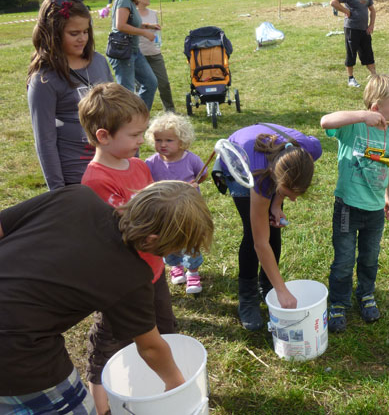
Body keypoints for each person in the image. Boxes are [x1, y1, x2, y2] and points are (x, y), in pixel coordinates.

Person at [0, 181, 213, 415]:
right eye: (175, 246)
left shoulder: (76, 197)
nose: (174, 253)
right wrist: (176, 383)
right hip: (17, 352)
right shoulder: (130, 276)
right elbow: (151, 347)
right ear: (152, 239)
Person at [77, 83, 175, 414]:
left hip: (153, 270)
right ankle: (101, 405)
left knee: (166, 330)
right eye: (135, 135)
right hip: (120, 283)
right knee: (108, 344)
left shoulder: (138, 166)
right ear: (104, 136)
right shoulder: (95, 181)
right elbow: (115, 237)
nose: (141, 142)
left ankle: (169, 386)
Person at [320, 75, 389, 333]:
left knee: (370, 258)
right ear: (376, 108)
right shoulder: (353, 128)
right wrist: (361, 116)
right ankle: (338, 302)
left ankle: (366, 293)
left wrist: (388, 197)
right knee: (344, 259)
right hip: (347, 207)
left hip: (374, 212)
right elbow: (325, 121)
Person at [221, 123, 322, 330]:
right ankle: (247, 297)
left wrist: (277, 204)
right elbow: (260, 243)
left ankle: (268, 285)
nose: (293, 199)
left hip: (272, 162)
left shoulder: (310, 151)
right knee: (253, 234)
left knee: (272, 227)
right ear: (275, 178)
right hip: (238, 161)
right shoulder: (259, 178)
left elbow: (284, 185)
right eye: (288, 193)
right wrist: (283, 290)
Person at [27, 0, 113, 191]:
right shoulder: (44, 79)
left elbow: (117, 114)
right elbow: (45, 140)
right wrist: (58, 191)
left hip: (109, 168)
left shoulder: (99, 62)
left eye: (85, 32)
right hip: (76, 177)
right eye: (74, 33)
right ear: (53, 33)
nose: (82, 38)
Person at [145, 113, 208, 294]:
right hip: (164, 212)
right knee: (167, 240)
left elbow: (202, 174)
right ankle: (175, 265)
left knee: (190, 240)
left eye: (169, 140)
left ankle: (193, 272)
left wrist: (195, 184)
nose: (162, 144)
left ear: (182, 141)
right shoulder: (151, 163)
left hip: (188, 211)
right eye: (158, 140)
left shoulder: (191, 159)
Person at [110, 0, 159, 111]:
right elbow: (120, 25)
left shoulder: (130, 2)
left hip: (134, 51)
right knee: (127, 92)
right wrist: (144, 32)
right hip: (123, 52)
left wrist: (148, 26)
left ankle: (139, 116)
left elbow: (130, 22)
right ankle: (127, 123)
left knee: (150, 83)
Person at [331, 0, 377, 88]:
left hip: (364, 29)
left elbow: (372, 10)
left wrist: (371, 25)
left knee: (368, 53)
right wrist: (346, 11)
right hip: (351, 28)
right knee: (351, 53)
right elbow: (334, 2)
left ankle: (375, 77)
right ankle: (351, 79)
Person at [137, 0, 175, 112]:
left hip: (154, 53)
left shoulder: (153, 13)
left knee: (164, 83)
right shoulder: (132, 14)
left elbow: (157, 32)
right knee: (139, 87)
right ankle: (140, 114)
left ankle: (170, 111)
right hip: (139, 55)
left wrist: (158, 43)